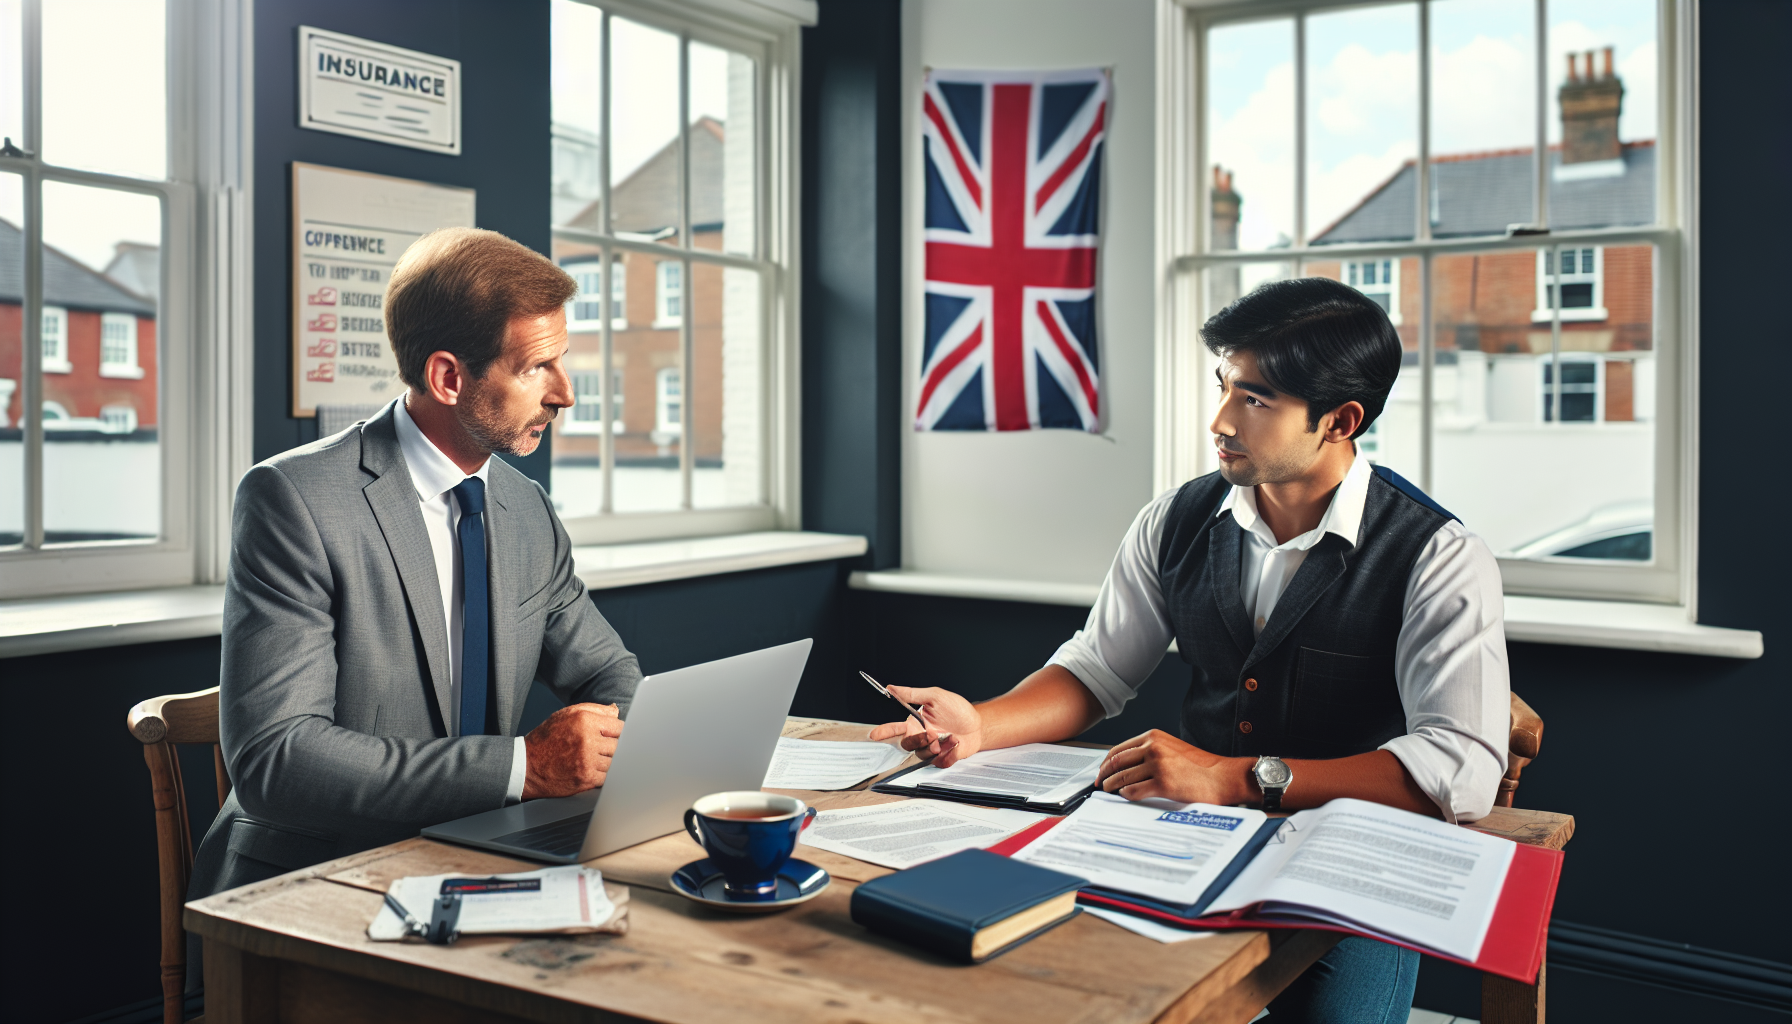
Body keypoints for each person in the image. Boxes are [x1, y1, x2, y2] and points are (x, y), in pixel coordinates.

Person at [871, 277, 1509, 1023]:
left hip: (1349, 858)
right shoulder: (1175, 519)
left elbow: (1461, 774)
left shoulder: (1439, 554)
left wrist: (1239, 779)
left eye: (1256, 399)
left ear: (1340, 420)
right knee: (1069, 988)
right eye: (1225, 387)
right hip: (1178, 837)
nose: (1221, 420)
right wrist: (983, 722)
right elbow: (1097, 668)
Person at [190, 227, 643, 901]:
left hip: (485, 859)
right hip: (316, 881)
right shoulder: (294, 500)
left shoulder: (526, 508)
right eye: (534, 368)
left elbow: (607, 670)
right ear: (448, 377)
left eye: (562, 361)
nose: (564, 394)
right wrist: (523, 766)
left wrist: (632, 737)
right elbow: (277, 760)